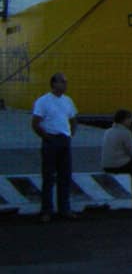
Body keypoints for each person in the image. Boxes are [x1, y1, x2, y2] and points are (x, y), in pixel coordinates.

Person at [31, 72, 79, 222]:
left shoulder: (68, 101)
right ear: (53, 84)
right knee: (48, 176)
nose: (65, 85)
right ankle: (47, 210)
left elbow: (73, 119)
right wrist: (46, 137)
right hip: (51, 139)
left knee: (65, 176)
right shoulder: (43, 101)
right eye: (62, 82)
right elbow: (35, 122)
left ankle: (64, 209)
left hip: (64, 139)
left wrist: (70, 134)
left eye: (66, 82)